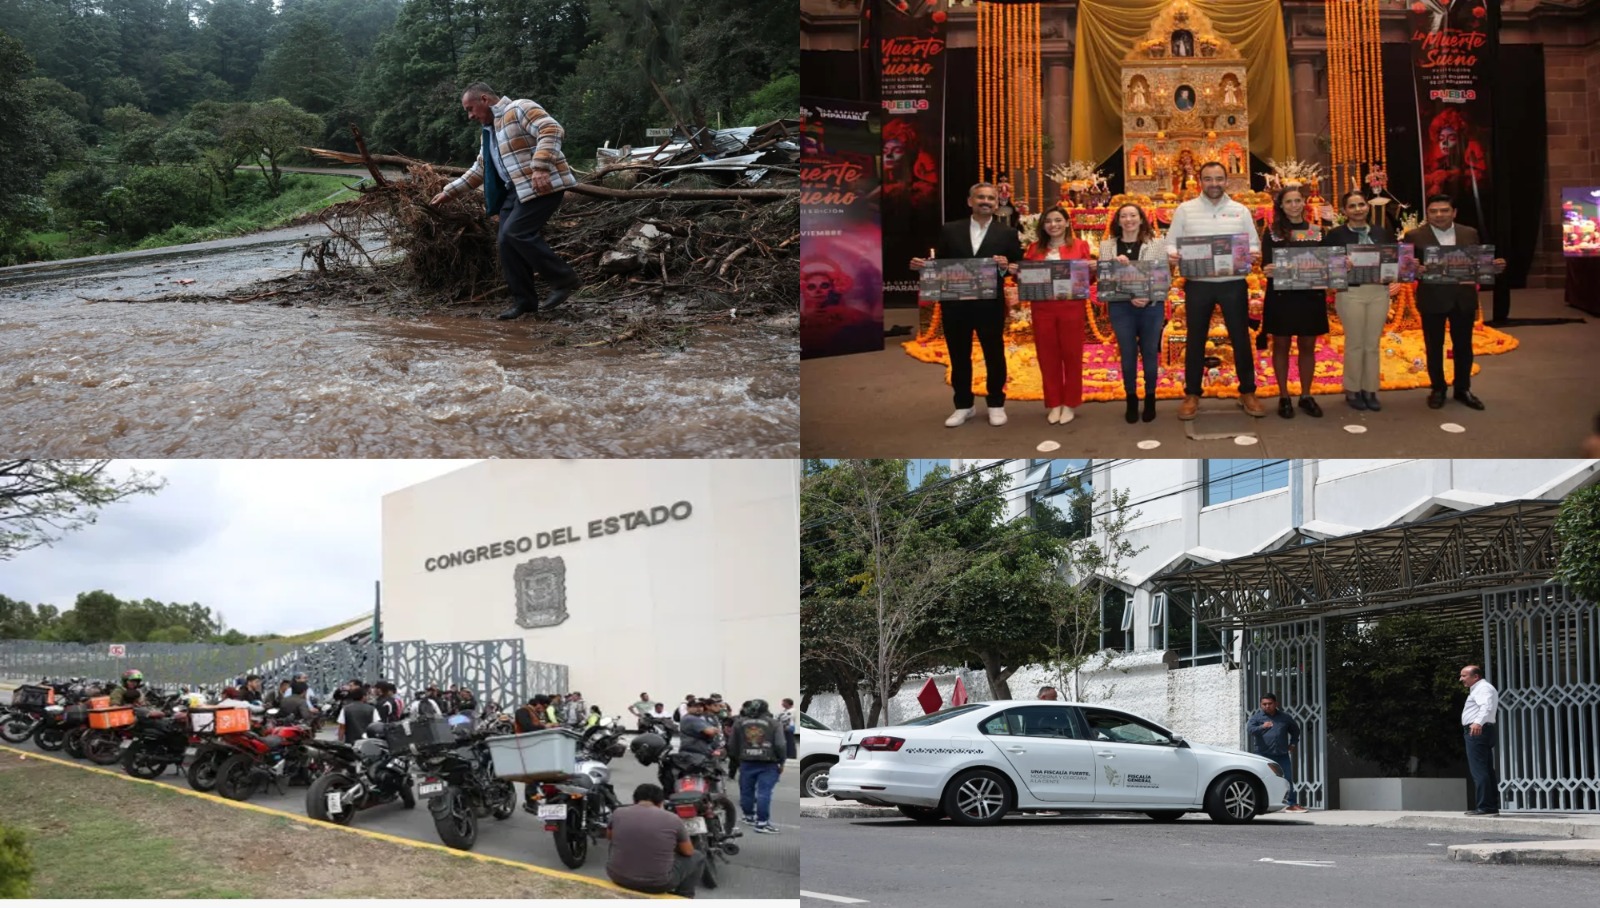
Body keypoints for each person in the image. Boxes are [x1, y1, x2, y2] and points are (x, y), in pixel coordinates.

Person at [429, 81, 581, 321]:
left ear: (484, 99)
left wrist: (541, 167)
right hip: (516, 191)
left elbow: (551, 129)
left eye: (470, 109)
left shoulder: (519, 108)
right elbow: (480, 169)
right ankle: (525, 302)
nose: (470, 116)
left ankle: (564, 279)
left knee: (516, 232)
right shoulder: (489, 132)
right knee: (505, 242)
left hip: (542, 185)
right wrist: (449, 192)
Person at [909, 182, 1024, 429]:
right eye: (981, 197)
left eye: (991, 198)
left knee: (994, 354)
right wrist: (923, 267)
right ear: (970, 201)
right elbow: (939, 263)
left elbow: (1016, 265)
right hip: (955, 304)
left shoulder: (1007, 233)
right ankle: (963, 405)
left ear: (997, 203)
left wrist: (1006, 266)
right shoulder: (950, 229)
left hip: (989, 305)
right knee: (959, 355)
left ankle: (996, 404)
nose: (986, 202)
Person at [1166, 161, 1265, 420]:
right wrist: (1175, 255)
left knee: (1240, 337)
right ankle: (1192, 394)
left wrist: (1251, 254)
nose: (1214, 184)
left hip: (1233, 283)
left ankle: (1247, 391)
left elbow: (1254, 244)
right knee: (1195, 338)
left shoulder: (1240, 210)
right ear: (1200, 181)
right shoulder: (1185, 210)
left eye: (1219, 179)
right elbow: (1170, 244)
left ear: (1226, 181)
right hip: (1198, 284)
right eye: (1208, 179)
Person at [1403, 194, 1504, 410]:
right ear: (1427, 213)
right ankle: (1438, 388)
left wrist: (1491, 267)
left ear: (1454, 212)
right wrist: (1414, 270)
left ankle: (1463, 389)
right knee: (1434, 346)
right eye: (1433, 211)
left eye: (1444, 210)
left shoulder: (1469, 233)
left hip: (1462, 297)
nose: (1439, 215)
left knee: (1463, 346)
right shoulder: (1414, 235)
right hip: (1432, 298)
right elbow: (1405, 270)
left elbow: (1477, 264)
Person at [1324, 190, 1398, 411]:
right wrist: (1339, 263)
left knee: (1372, 343)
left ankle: (1370, 389)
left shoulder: (1381, 232)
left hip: (1379, 292)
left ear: (1368, 206)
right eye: (1352, 206)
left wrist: (1397, 276)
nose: (1358, 209)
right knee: (1355, 342)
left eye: (1361, 205)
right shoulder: (1336, 235)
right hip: (1351, 293)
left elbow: (1393, 260)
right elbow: (1325, 265)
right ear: (1344, 211)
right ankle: (1353, 389)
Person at [1260, 185, 1330, 419]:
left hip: (1310, 296)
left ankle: (1306, 395)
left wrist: (1338, 266)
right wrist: (1268, 269)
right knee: (1281, 345)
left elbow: (1326, 262)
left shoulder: (1317, 232)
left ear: (1304, 203)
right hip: (1282, 296)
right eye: (1288, 201)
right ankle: (1284, 396)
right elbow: (1266, 264)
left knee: (1307, 346)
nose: (1294, 205)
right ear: (1281, 205)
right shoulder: (1272, 233)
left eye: (1297, 200)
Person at [1024, 205, 1093, 426]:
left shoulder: (1080, 246)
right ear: (1042, 225)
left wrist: (1092, 268)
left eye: (1057, 220)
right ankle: (1054, 402)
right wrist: (1018, 271)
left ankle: (1070, 403)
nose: (1053, 225)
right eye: (1048, 221)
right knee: (1047, 356)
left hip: (1071, 307)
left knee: (1072, 355)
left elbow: (1089, 279)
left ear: (1066, 222)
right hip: (1042, 308)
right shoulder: (1034, 248)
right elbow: (1026, 279)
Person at [1099, 203, 1168, 423]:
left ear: (1141, 219)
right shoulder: (1107, 246)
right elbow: (1104, 281)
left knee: (1150, 352)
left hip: (1151, 306)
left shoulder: (1157, 244)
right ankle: (1131, 398)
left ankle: (1150, 398)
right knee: (1127, 353)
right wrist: (1116, 270)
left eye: (1133, 215)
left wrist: (1149, 295)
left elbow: (1163, 277)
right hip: (1121, 307)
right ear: (1118, 220)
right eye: (1124, 216)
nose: (1128, 220)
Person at [606, 783, 705, 898]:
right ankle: (684, 897)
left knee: (617, 842)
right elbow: (688, 851)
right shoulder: (673, 819)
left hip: (617, 876)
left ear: (634, 800)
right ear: (660, 803)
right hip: (657, 884)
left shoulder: (618, 813)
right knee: (698, 857)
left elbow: (610, 836)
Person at [732, 700, 787, 834]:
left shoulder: (739, 723)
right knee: (764, 792)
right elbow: (780, 744)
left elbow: (732, 744)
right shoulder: (774, 723)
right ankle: (762, 823)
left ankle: (748, 816)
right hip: (768, 762)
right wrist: (782, 761)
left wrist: (738, 759)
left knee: (746, 790)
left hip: (746, 761)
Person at [1247, 693, 1306, 812]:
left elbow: (1295, 730)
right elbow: (1250, 730)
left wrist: (1293, 743)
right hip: (1263, 755)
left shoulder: (1285, 717)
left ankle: (1291, 804)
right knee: (1260, 778)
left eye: (1270, 703)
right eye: (1264, 704)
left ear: (1276, 704)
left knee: (1287, 779)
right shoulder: (1257, 718)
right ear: (1260, 705)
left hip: (1281, 754)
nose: (1267, 706)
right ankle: (1256, 804)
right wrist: (1262, 727)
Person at [1459, 664, 1500, 816]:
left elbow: (1486, 707)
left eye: (1464, 676)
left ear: (1475, 676)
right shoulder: (1480, 688)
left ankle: (1485, 806)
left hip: (1477, 731)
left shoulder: (1483, 688)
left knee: (1479, 770)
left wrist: (1477, 723)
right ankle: (1490, 805)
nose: (1461, 679)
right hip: (1482, 730)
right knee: (1486, 769)